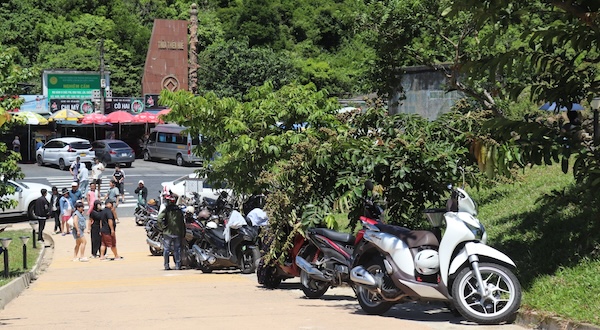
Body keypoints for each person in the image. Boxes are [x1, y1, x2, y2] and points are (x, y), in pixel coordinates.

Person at [157, 193, 185, 270]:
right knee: (177, 250)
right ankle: (177, 265)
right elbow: (182, 223)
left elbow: (159, 219)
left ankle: (166, 265)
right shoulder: (179, 210)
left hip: (168, 233)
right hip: (177, 232)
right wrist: (183, 233)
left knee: (166, 250)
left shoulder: (167, 210)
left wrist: (162, 228)